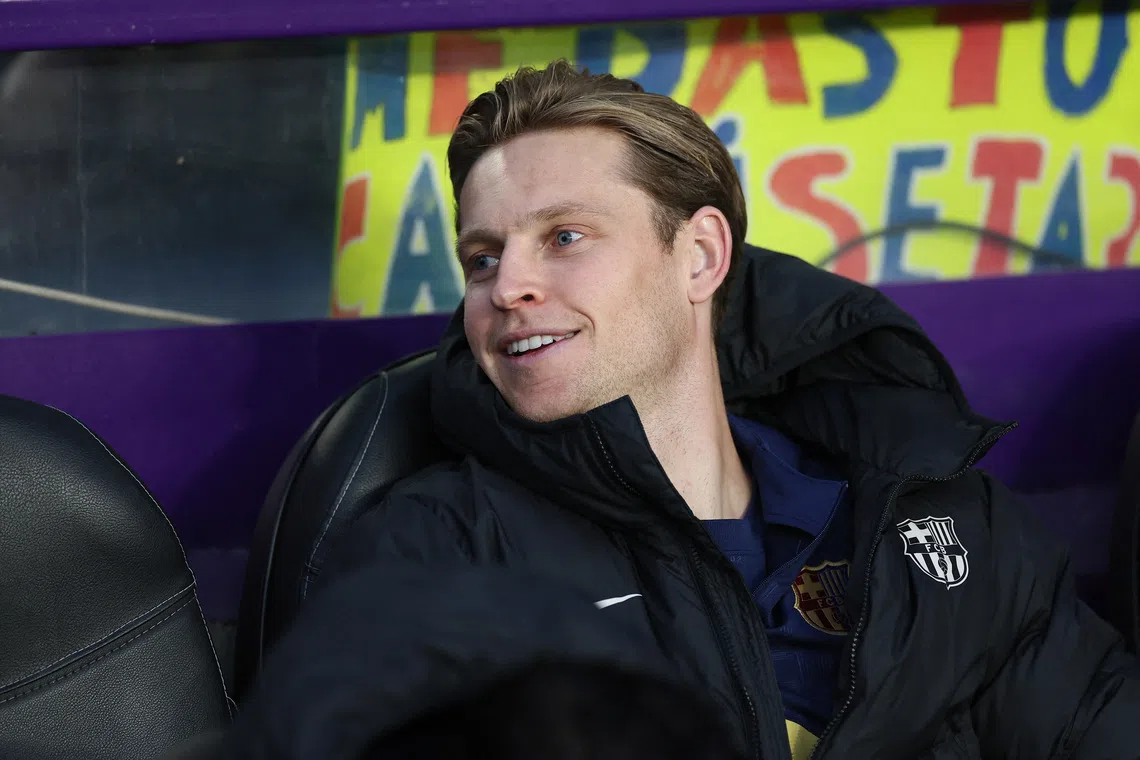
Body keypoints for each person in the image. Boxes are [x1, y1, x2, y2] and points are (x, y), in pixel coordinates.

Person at [232, 60, 1139, 759]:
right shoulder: (430, 553)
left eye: (565, 237)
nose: (506, 286)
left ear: (700, 256)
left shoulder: (936, 516)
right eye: (480, 257)